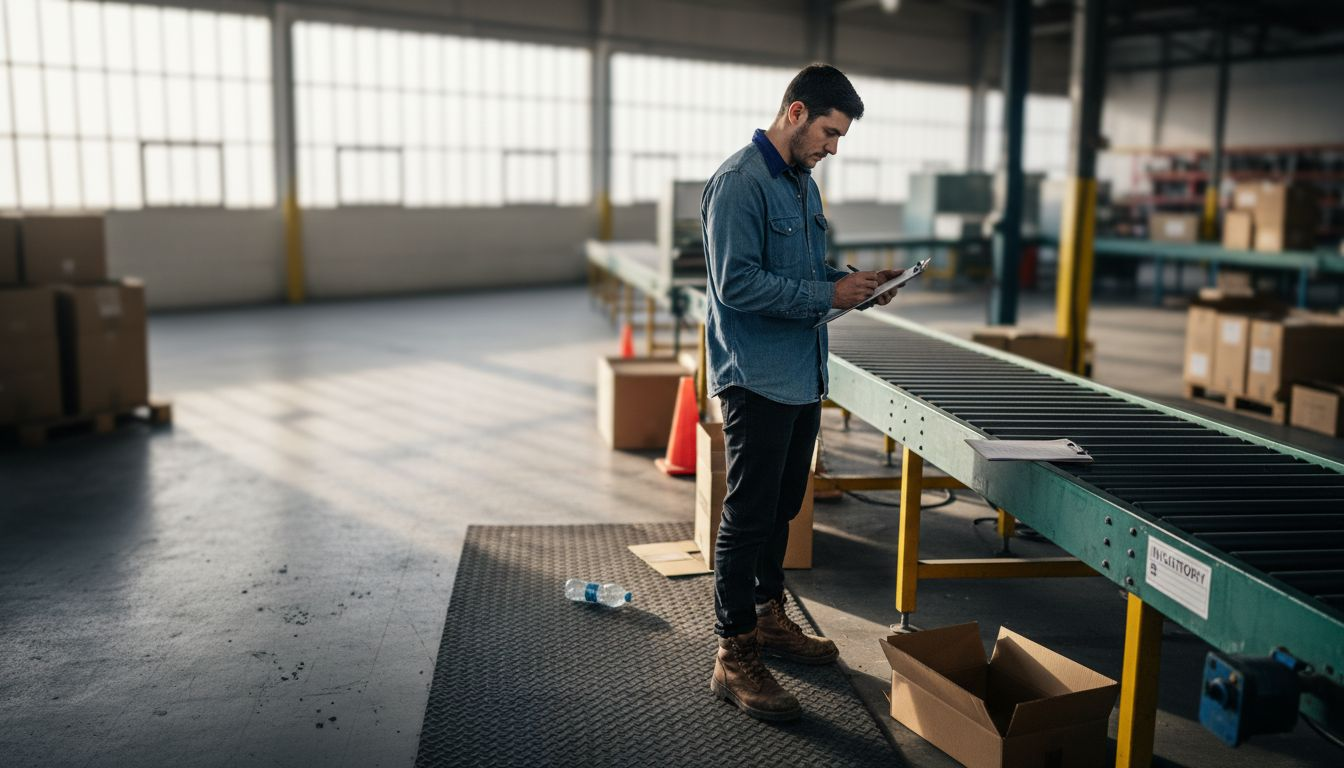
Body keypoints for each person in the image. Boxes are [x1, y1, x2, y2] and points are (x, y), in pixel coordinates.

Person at [701, 63, 901, 722]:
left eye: (840, 137)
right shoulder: (739, 184)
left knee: (784, 504)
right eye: (829, 131)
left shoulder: (801, 185)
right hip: (756, 377)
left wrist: (853, 282)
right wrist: (825, 294)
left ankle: (769, 617)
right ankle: (735, 655)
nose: (833, 147)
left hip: (800, 373)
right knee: (749, 513)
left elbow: (802, 269)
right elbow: (737, 285)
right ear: (795, 112)